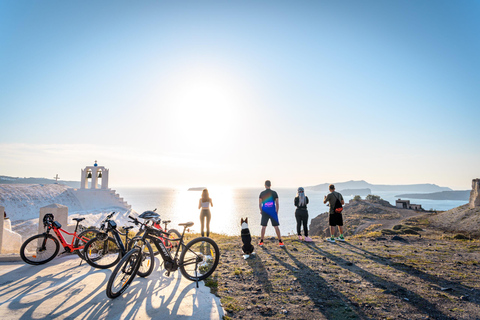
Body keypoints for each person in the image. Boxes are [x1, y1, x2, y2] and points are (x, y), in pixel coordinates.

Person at [259, 180, 284, 247]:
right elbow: (277, 204)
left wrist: (261, 210)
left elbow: (260, 204)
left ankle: (261, 241)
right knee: (276, 227)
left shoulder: (262, 193)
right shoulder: (274, 193)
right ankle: (280, 241)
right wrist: (277, 212)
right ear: (270, 185)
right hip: (273, 211)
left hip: (265, 211)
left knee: (263, 227)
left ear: (265, 185)